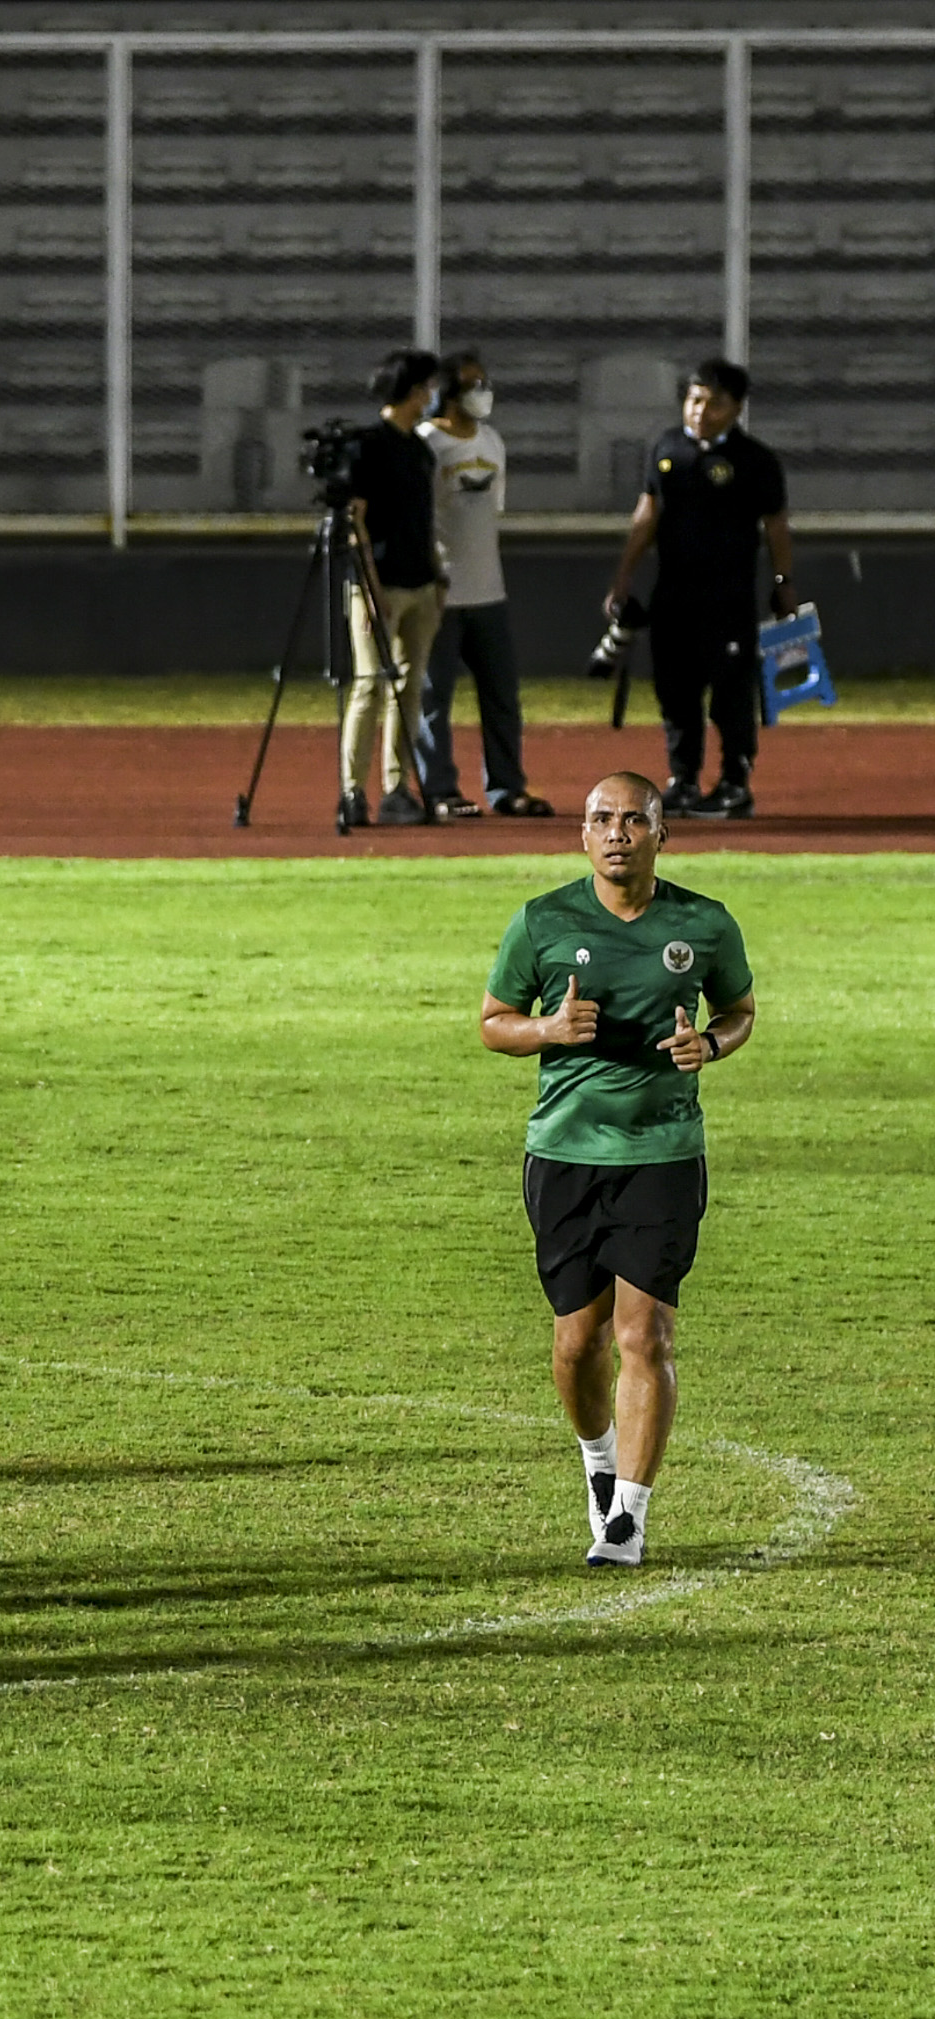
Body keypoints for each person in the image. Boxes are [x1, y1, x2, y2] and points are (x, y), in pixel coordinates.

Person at [476, 773, 755, 1568]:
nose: (619, 832)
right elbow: (493, 1024)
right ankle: (598, 1463)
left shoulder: (703, 924)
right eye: (603, 819)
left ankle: (628, 1518)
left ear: (663, 833)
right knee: (577, 1342)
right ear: (583, 834)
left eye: (636, 818)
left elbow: (738, 1010)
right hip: (564, 1153)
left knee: (647, 1334)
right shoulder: (542, 922)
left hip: (663, 1153)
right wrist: (548, 1028)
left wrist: (713, 1044)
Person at [603, 357, 794, 821]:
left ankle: (734, 782)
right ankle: (683, 778)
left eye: (713, 403)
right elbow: (646, 515)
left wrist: (783, 582)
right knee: (675, 691)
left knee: (730, 691)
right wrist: (624, 576)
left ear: (736, 408)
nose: (700, 411)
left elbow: (776, 527)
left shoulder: (755, 461)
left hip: (728, 600)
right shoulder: (667, 449)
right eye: (694, 400)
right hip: (674, 596)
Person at [420, 352, 552, 823]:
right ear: (448, 395)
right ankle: (440, 789)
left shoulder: (492, 442)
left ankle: (506, 786)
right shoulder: (427, 443)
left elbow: (490, 510)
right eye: (472, 385)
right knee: (433, 699)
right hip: (441, 593)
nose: (483, 392)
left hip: (488, 591)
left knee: (501, 696)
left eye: (484, 382)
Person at [338, 347, 447, 831]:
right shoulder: (369, 445)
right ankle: (352, 789)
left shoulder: (418, 448)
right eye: (426, 386)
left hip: (420, 583)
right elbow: (354, 519)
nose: (432, 395)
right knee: (369, 687)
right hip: (382, 584)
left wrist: (436, 575)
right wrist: (368, 584)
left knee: (409, 691)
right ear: (410, 390)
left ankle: (396, 786)